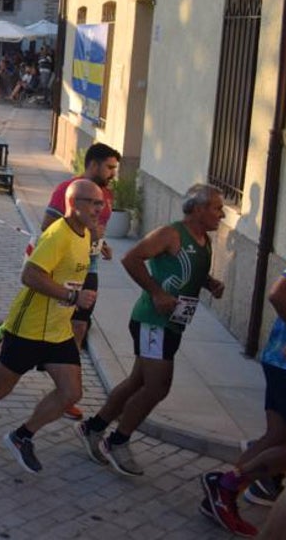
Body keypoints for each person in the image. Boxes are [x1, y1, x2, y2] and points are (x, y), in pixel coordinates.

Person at [0, 180, 101, 476]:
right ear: (75, 204)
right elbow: (29, 275)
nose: (100, 208)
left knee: (71, 393)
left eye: (101, 203)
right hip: (28, 327)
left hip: (57, 330)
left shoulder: (85, 233)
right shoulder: (57, 235)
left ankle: (22, 436)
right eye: (94, 203)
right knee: (0, 389)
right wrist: (73, 297)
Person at [76, 184, 226, 477]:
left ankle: (92, 428)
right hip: (152, 321)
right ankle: (117, 442)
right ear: (197, 209)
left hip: (173, 322)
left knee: (136, 383)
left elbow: (187, 270)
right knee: (158, 386)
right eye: (217, 208)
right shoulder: (171, 234)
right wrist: (157, 293)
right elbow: (131, 258)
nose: (221, 215)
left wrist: (209, 283)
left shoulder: (203, 239)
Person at [0, 142, 121, 422]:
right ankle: (2, 331)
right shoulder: (68, 190)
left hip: (88, 263)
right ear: (92, 164)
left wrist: (100, 244)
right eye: (109, 167)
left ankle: (66, 391)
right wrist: (77, 240)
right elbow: (48, 227)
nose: (112, 174)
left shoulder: (107, 194)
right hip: (60, 264)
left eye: (114, 169)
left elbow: (95, 229)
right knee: (48, 313)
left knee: (80, 323)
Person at [200, 257, 286, 536]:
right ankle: (226, 487)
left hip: (281, 361)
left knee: (280, 438)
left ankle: (226, 487)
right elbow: (277, 294)